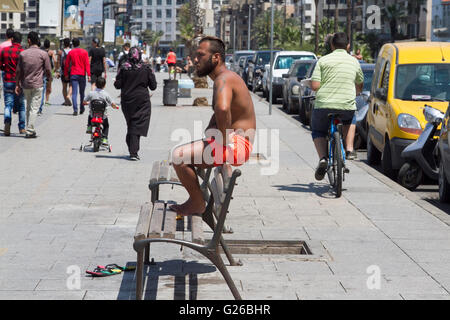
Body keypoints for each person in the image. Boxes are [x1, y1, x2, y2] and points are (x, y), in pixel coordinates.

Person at [170, 36, 256, 216]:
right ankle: (197, 201)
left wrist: (223, 141)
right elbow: (224, 112)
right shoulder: (227, 78)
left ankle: (197, 203)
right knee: (182, 155)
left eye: (200, 55)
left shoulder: (223, 79)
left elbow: (223, 109)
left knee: (178, 156)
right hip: (239, 143)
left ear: (216, 57)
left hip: (238, 145)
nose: (195, 60)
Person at [309, 32, 364, 181]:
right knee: (351, 117)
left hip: (323, 105)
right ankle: (350, 149)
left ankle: (323, 159)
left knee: (318, 130)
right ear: (348, 46)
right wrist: (356, 93)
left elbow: (315, 86)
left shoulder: (323, 61)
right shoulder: (354, 62)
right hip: (346, 105)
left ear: (332, 45)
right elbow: (359, 85)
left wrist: (312, 84)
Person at [114, 47, 157, 161]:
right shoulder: (146, 68)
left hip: (127, 101)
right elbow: (153, 86)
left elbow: (117, 84)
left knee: (132, 124)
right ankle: (133, 152)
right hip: (142, 101)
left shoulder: (124, 67)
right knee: (136, 124)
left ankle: (132, 147)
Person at [15, 31, 52, 139]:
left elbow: (18, 71)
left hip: (25, 85)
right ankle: (30, 130)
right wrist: (49, 82)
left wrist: (17, 84)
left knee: (28, 107)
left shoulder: (23, 54)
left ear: (29, 40)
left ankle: (29, 128)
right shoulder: (43, 54)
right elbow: (48, 70)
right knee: (34, 108)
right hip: (38, 85)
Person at [0, 31, 26, 136]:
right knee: (21, 106)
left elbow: (0, 65)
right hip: (19, 82)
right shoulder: (24, 52)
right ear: (20, 40)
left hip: (8, 80)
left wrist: (5, 69)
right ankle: (22, 128)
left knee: (8, 104)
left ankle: (7, 121)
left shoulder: (4, 51)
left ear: (12, 39)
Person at [83, 76, 119, 145]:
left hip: (93, 115)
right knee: (106, 126)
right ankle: (105, 138)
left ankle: (89, 127)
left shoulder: (91, 93)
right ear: (104, 85)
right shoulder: (106, 94)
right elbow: (112, 104)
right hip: (103, 116)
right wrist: (115, 107)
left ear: (95, 84)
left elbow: (84, 102)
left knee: (89, 115)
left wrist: (88, 103)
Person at [64, 38, 90, 116]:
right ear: (79, 43)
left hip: (73, 74)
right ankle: (82, 108)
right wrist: (89, 75)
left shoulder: (71, 52)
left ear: (73, 44)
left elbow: (67, 65)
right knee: (82, 93)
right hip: (82, 74)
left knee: (74, 93)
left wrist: (66, 74)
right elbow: (87, 64)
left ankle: (75, 110)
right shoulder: (84, 52)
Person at [38, 39, 56, 115]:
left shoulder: (41, 52)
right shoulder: (51, 52)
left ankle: (39, 106)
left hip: (42, 71)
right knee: (49, 87)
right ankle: (47, 100)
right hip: (49, 70)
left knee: (42, 89)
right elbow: (55, 61)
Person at [55, 38, 72, 106]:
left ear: (63, 44)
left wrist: (58, 71)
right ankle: (69, 96)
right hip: (71, 71)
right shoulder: (72, 51)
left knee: (64, 87)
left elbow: (58, 62)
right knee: (71, 85)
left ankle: (66, 101)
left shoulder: (60, 52)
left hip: (63, 72)